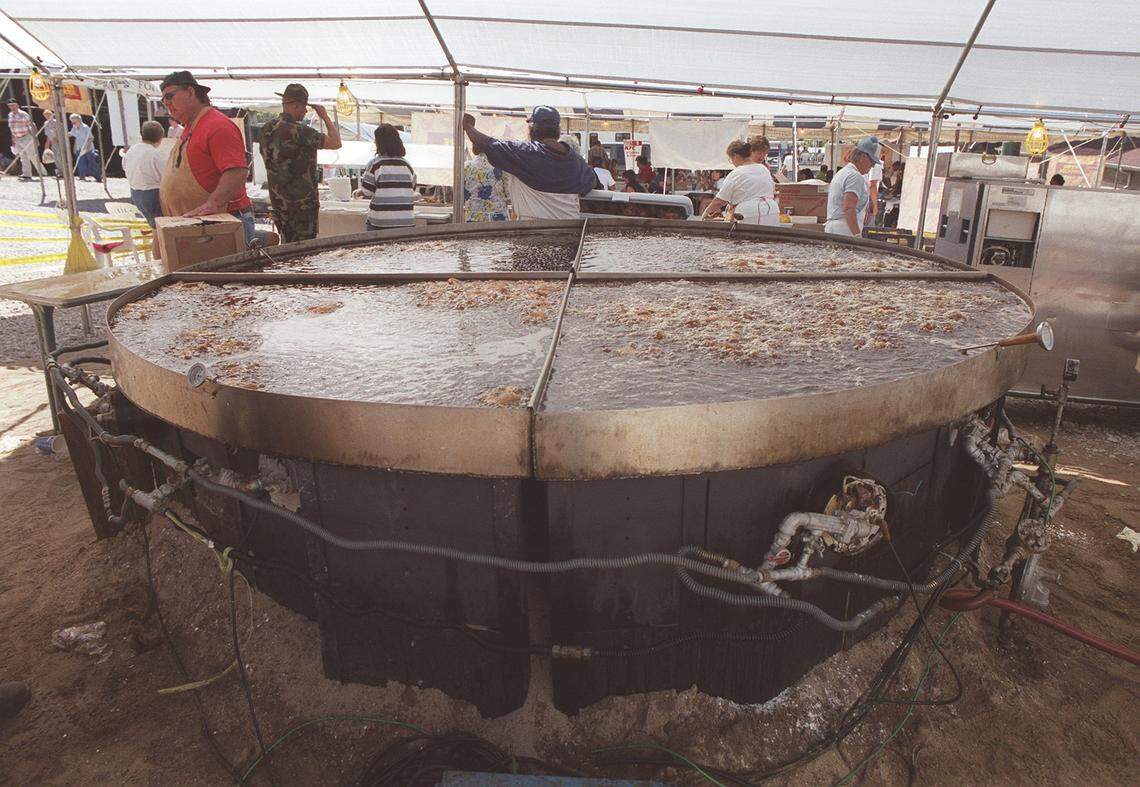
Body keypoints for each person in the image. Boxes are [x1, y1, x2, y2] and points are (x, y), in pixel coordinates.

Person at [157, 71, 256, 246]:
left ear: (190, 92)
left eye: (170, 96)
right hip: (197, 223)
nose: (166, 103)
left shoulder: (217, 125)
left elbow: (236, 171)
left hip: (224, 220)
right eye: (163, 100)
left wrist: (214, 203)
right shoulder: (190, 128)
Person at [461, 106, 596, 221]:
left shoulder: (524, 153)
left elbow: (486, 143)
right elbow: (591, 183)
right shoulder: (578, 162)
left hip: (532, 236)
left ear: (533, 130)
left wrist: (468, 126)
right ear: (558, 131)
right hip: (570, 237)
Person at [259, 83, 341, 243]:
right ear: (296, 105)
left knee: (286, 247)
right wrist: (324, 116)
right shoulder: (301, 132)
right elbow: (336, 143)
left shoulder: (266, 129)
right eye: (304, 107)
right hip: (302, 205)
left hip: (279, 203)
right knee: (304, 251)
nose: (305, 111)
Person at [701, 139, 779, 225]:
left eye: (731, 159)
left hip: (749, 214)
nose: (732, 163)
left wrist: (705, 214)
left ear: (735, 156)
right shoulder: (763, 169)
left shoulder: (737, 173)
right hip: (772, 211)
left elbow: (720, 200)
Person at [359, 124, 417, 230]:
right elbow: (411, 188)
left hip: (380, 223)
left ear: (379, 143)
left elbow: (368, 191)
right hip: (406, 223)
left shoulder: (375, 164)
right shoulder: (407, 165)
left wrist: (358, 192)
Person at [825, 136, 879, 236]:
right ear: (863, 157)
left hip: (835, 228)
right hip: (845, 230)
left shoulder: (843, 173)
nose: (873, 166)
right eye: (872, 161)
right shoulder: (855, 176)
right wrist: (856, 234)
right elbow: (849, 208)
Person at [122, 121, 168, 227]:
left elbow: (125, 168)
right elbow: (167, 176)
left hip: (135, 193)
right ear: (160, 138)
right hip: (152, 194)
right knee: (161, 228)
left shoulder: (131, 151)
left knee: (155, 227)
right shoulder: (156, 154)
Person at [462, 121, 510, 222]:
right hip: (497, 218)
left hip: (473, 217)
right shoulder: (501, 166)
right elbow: (508, 193)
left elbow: (460, 193)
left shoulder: (466, 166)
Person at [7, 101, 45, 179]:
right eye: (10, 106)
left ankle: (42, 172)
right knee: (23, 157)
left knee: (32, 156)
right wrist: (13, 141)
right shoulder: (10, 115)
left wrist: (35, 137)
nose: (12, 107)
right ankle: (26, 174)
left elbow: (32, 125)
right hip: (17, 138)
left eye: (13, 105)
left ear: (17, 105)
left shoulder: (23, 114)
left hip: (26, 137)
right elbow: (11, 129)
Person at [68, 114, 100, 181]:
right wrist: (74, 147)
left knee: (93, 163)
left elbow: (91, 138)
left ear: (79, 120)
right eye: (72, 122)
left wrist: (86, 148)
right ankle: (82, 177)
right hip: (79, 148)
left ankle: (98, 177)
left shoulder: (86, 127)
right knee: (81, 163)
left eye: (74, 122)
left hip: (89, 148)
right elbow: (73, 136)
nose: (72, 123)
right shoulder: (74, 127)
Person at [864, 148, 884, 227]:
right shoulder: (876, 166)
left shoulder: (864, 163)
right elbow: (873, 185)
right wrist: (875, 205)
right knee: (869, 224)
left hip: (865, 196)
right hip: (869, 197)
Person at [40, 109, 59, 176]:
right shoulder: (45, 123)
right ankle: (57, 172)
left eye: (48, 115)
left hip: (58, 141)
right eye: (45, 115)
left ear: (52, 115)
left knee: (60, 156)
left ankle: (63, 171)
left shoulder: (57, 122)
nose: (47, 116)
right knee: (54, 157)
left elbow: (59, 132)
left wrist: (56, 138)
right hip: (51, 141)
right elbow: (47, 134)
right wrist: (47, 143)